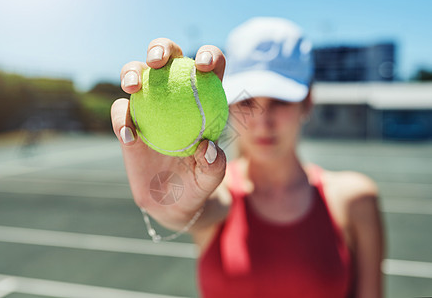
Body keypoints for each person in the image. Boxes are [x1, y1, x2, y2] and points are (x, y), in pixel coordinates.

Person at [111, 17, 384, 298]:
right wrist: (162, 197)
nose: (263, 122)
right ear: (226, 101)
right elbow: (188, 209)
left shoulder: (356, 199)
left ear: (308, 100)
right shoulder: (215, 189)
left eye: (280, 101)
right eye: (248, 101)